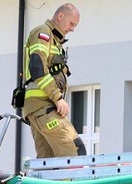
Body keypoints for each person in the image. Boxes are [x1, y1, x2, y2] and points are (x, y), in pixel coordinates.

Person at [21, 3, 85, 158]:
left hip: (38, 107)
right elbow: (37, 69)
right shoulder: (43, 33)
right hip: (44, 105)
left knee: (47, 159)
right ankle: (71, 182)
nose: (72, 29)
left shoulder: (53, 39)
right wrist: (58, 98)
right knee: (74, 150)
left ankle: (44, 183)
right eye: (71, 24)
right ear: (60, 16)